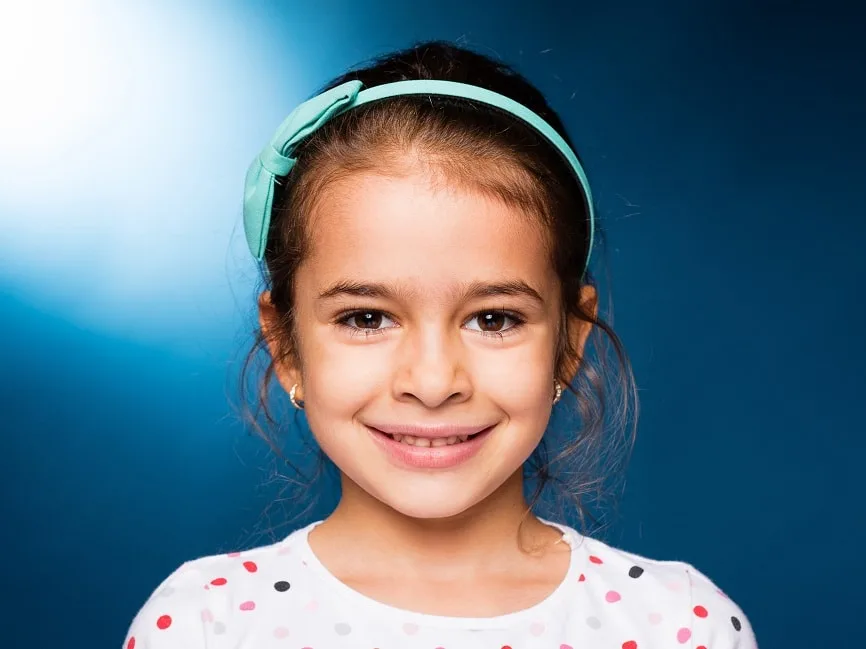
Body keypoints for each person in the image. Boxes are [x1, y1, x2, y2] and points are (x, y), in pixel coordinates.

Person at [124, 40, 757, 649]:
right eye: (367, 318)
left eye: (493, 319)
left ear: (570, 340)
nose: (432, 382)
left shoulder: (678, 628)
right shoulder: (206, 627)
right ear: (286, 344)